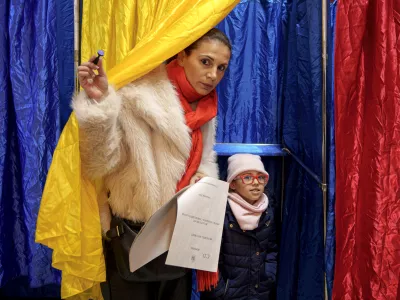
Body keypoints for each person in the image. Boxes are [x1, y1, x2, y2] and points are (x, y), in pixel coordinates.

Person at [73, 28, 232, 300]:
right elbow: (98, 163)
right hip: (134, 238)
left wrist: (201, 181)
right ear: (182, 56)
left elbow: (204, 161)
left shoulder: (205, 109)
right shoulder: (137, 96)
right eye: (205, 62)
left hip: (178, 238)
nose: (213, 75)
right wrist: (99, 105)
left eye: (221, 67)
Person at [201, 154, 278, 300]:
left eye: (260, 177)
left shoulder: (268, 211)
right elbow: (208, 258)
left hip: (259, 293)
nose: (256, 183)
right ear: (233, 184)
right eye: (247, 177)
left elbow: (272, 249)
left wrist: (269, 275)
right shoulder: (220, 211)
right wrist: (220, 291)